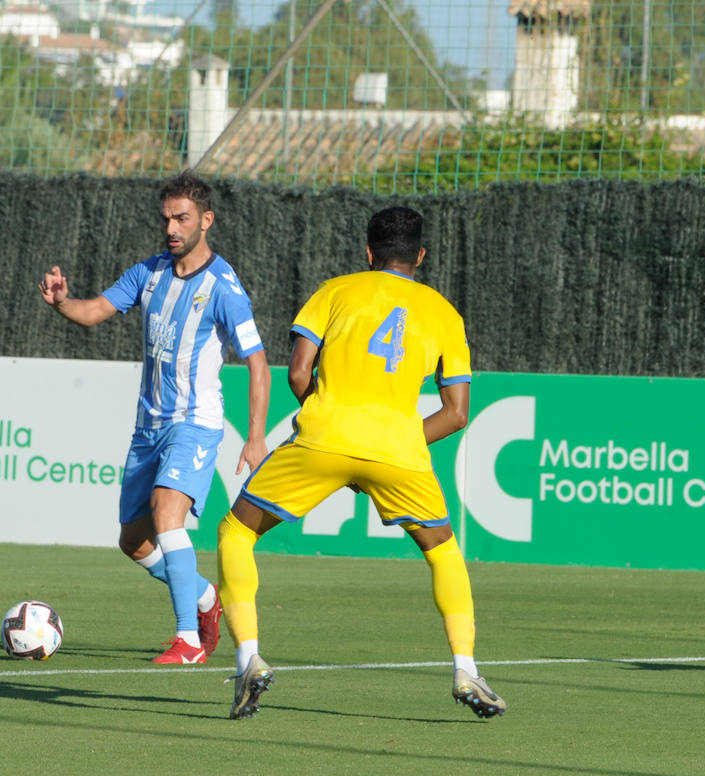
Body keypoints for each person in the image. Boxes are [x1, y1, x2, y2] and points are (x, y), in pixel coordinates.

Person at [215, 205, 507, 721]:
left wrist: (334, 433)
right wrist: (391, 442)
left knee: (236, 532)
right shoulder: (444, 312)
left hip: (324, 436)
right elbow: (457, 414)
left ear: (368, 253)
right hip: (400, 451)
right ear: (420, 255)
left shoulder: (335, 290)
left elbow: (298, 373)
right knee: (443, 553)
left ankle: (248, 659)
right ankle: (466, 667)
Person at [40, 172, 270, 664]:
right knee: (134, 540)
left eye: (182, 217)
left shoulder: (224, 288)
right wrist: (62, 302)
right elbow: (94, 311)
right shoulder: (149, 273)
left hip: (195, 422)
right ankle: (207, 600)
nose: (171, 227)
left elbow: (256, 363)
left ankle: (188, 639)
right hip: (148, 427)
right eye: (166, 217)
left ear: (206, 221)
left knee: (169, 513)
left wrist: (254, 437)